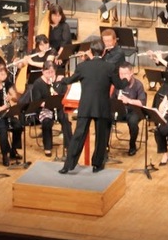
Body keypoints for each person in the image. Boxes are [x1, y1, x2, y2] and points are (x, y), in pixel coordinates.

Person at [57, 37, 129, 173]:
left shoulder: (82, 66)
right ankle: (97, 165)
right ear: (103, 52)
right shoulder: (109, 67)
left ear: (91, 51)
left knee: (78, 135)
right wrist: (126, 79)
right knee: (101, 137)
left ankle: (68, 166)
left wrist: (61, 80)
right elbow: (119, 85)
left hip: (86, 106)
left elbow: (70, 80)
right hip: (102, 106)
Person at [23, 62, 71, 158]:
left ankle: (69, 146)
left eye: (52, 72)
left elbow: (65, 94)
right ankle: (48, 147)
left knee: (65, 119)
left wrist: (57, 95)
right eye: (47, 72)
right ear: (42, 72)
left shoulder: (59, 80)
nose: (50, 75)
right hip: (44, 108)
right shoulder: (38, 83)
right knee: (47, 121)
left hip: (58, 107)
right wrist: (48, 103)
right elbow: (37, 101)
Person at [113, 61, 148, 156]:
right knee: (106, 118)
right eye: (120, 74)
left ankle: (132, 145)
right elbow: (112, 99)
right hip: (120, 110)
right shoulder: (117, 84)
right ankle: (105, 147)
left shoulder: (138, 85)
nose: (122, 76)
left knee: (133, 122)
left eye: (125, 74)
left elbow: (142, 103)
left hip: (134, 110)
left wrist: (128, 100)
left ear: (131, 73)